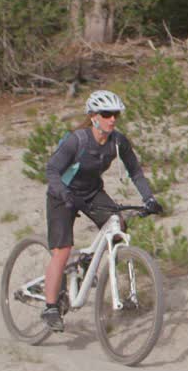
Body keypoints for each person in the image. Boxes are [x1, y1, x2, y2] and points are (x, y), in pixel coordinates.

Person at [41, 89, 161, 331]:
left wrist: (149, 198)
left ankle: (88, 266)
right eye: (107, 114)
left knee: (118, 227)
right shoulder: (77, 140)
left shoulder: (118, 142)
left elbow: (135, 172)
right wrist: (64, 194)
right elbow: (52, 171)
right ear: (94, 116)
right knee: (62, 251)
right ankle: (51, 307)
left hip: (92, 192)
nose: (112, 119)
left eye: (115, 114)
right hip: (61, 194)